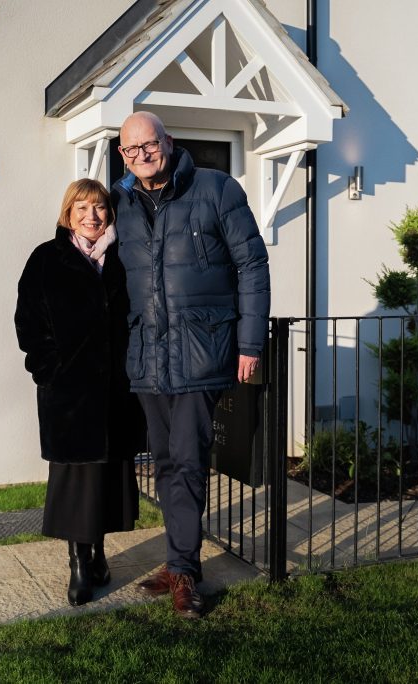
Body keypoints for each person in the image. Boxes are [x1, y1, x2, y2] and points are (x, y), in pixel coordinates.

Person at [112, 111, 270, 618]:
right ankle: (179, 561)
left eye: (149, 145)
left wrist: (250, 344)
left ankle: (184, 571)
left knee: (188, 459)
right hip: (148, 358)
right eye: (131, 150)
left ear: (168, 141)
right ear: (122, 156)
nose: (142, 155)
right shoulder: (121, 204)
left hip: (201, 352)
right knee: (164, 463)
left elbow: (251, 265)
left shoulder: (217, 189)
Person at [14, 178, 144, 607]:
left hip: (113, 393)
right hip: (69, 397)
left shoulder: (121, 260)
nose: (92, 216)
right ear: (68, 214)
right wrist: (48, 370)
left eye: (100, 207)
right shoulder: (47, 259)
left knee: (106, 479)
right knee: (76, 483)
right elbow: (28, 322)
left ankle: (100, 555)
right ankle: (78, 566)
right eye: (82, 208)